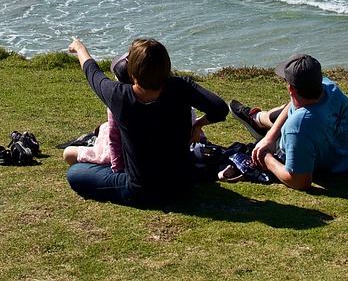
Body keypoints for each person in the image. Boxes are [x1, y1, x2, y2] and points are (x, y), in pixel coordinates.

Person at [65, 36, 228, 206]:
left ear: (132, 71)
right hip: (183, 185)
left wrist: (80, 49)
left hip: (142, 191)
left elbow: (93, 74)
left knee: (75, 173)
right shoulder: (181, 87)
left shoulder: (118, 95)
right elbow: (220, 109)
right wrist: (198, 124)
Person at [232, 53, 348, 190]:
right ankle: (257, 120)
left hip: (328, 167)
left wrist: (266, 159)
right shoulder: (329, 87)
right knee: (282, 111)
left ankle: (257, 119)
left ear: (291, 89)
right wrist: (270, 136)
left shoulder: (298, 126)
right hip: (345, 157)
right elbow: (294, 105)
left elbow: (300, 181)